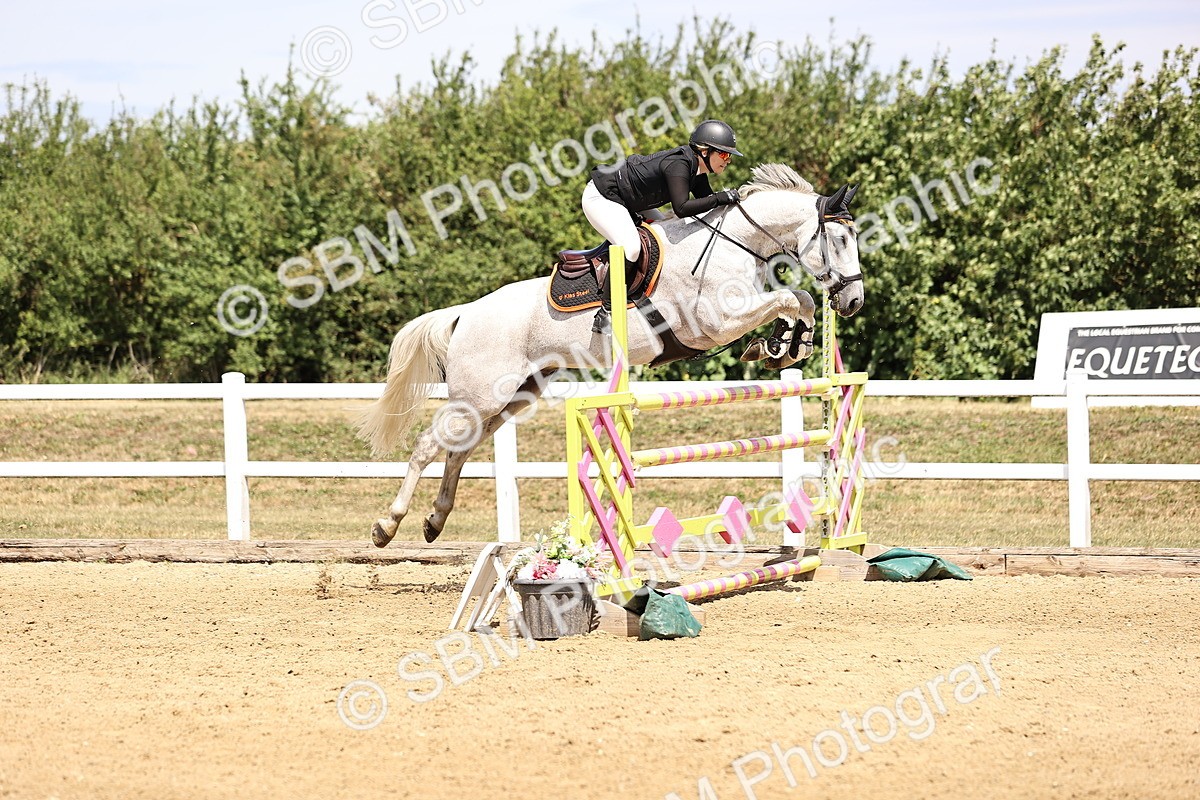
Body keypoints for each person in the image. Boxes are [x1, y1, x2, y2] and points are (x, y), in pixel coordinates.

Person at [582, 119, 744, 333]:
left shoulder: (698, 170)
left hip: (630, 200)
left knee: (663, 236)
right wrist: (722, 197)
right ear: (705, 151)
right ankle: (606, 312)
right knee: (631, 248)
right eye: (724, 154)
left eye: (729, 156)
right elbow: (683, 208)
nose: (728, 160)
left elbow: (707, 206)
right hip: (602, 196)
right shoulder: (680, 165)